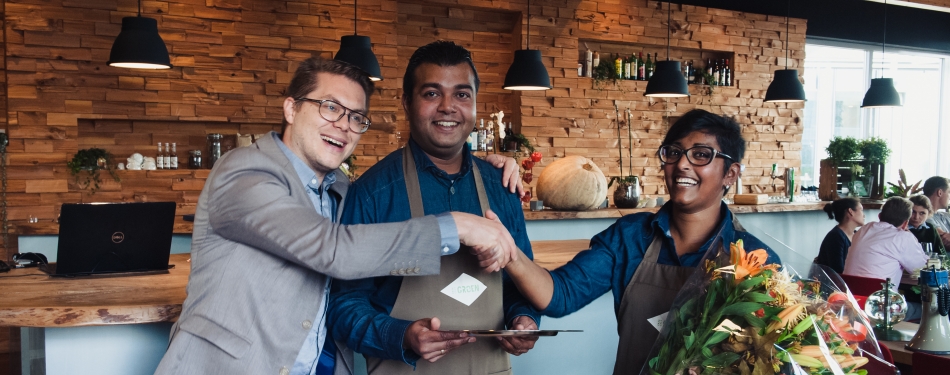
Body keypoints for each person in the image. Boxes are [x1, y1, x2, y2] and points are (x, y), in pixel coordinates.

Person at [154, 57, 522, 375]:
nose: (344, 125)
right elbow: (334, 250)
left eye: (356, 117)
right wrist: (457, 225)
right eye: (330, 107)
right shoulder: (244, 173)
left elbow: (352, 287)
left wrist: (484, 165)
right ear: (291, 109)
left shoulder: (342, 190)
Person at [504, 109, 780, 374]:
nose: (682, 163)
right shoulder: (630, 237)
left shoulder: (755, 259)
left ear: (730, 174)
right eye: (673, 152)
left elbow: (769, 357)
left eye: (700, 155)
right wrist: (507, 250)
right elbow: (560, 296)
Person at [328, 41, 538, 375]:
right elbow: (342, 305)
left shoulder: (503, 189)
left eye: (462, 94)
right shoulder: (373, 194)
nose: (448, 107)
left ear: (474, 104)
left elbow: (521, 282)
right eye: (431, 94)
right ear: (407, 103)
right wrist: (402, 335)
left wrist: (523, 320)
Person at [843, 197, 929, 292]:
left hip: (852, 299)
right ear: (905, 224)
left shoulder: (864, 229)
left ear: (879, 216)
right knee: (919, 306)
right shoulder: (902, 237)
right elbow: (921, 271)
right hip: (880, 302)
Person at [814, 198, 865, 274]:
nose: (864, 215)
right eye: (861, 210)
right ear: (851, 212)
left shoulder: (857, 235)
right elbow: (838, 272)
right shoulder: (835, 237)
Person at [922, 176, 950, 247]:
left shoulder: (945, 215)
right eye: (949, 192)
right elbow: (944, 240)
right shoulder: (923, 216)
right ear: (939, 192)